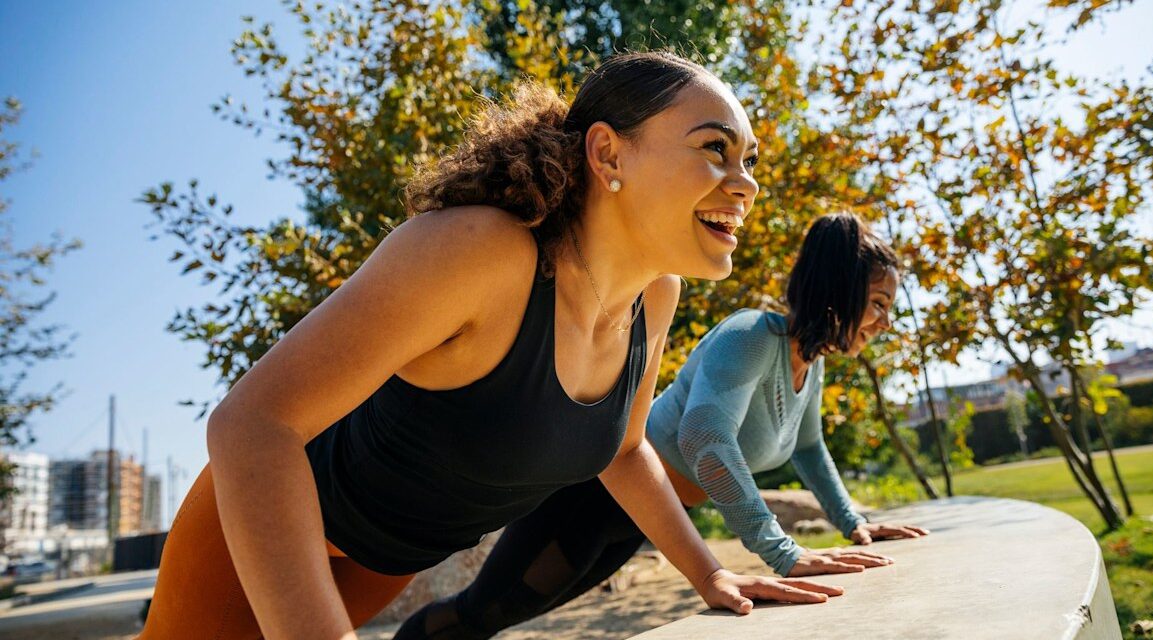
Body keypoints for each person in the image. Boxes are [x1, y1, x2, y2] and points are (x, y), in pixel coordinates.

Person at [137, 51, 844, 640]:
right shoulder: (481, 252)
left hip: (387, 561)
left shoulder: (654, 296)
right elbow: (252, 424)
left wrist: (710, 572)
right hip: (258, 536)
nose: (746, 183)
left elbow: (627, 452)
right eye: (714, 149)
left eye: (749, 159)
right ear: (607, 153)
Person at [398, 212, 930, 640]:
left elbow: (810, 448)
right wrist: (782, 553)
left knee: (502, 618)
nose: (885, 322)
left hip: (643, 520)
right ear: (839, 291)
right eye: (878, 304)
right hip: (593, 499)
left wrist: (853, 522)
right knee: (481, 614)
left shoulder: (807, 367)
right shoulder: (750, 336)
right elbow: (705, 439)